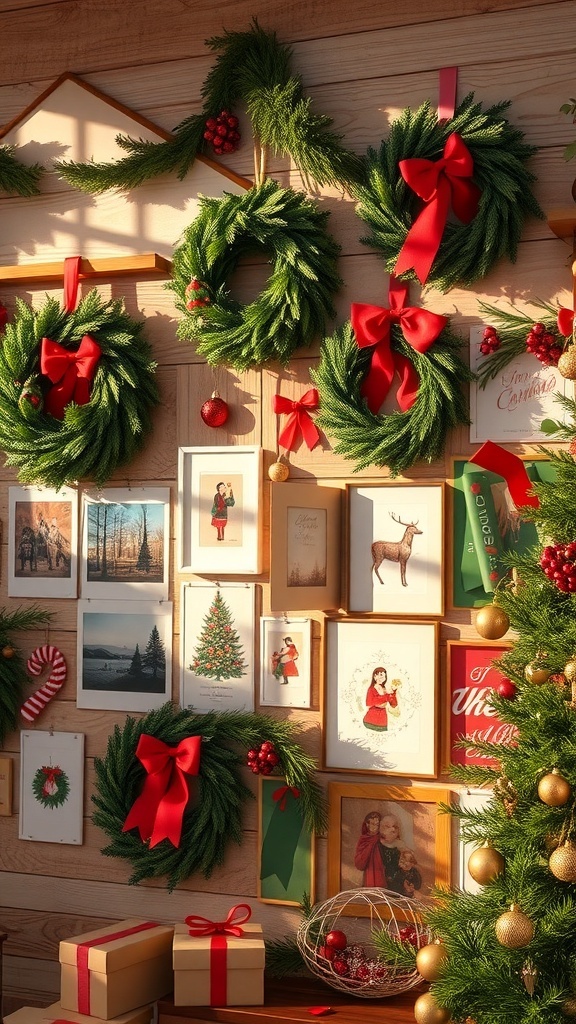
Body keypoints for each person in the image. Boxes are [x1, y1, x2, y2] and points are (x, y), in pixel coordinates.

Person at [354, 810, 387, 886]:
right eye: (372, 824)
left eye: (377, 824)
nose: (375, 827)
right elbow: (359, 862)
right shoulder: (364, 839)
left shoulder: (382, 838)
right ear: (367, 824)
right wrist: (370, 846)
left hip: (382, 871)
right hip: (370, 871)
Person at [362, 667, 400, 731]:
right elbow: (370, 703)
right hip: (370, 720)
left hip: (382, 722)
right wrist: (387, 696)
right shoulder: (371, 689)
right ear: (374, 676)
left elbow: (394, 705)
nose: (381, 678)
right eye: (379, 675)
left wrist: (393, 694)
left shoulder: (385, 689)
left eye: (383, 676)